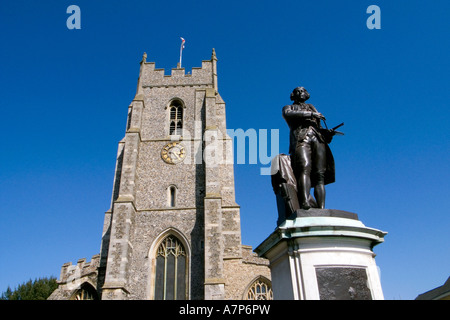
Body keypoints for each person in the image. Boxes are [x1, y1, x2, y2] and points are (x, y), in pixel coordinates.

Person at [282, 87, 335, 209]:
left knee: (319, 174)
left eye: (303, 91)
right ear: (293, 95)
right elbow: (288, 114)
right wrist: (311, 114)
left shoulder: (312, 107)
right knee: (304, 168)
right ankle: (305, 201)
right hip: (302, 138)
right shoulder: (288, 107)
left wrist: (328, 134)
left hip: (317, 140)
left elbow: (319, 128)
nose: (301, 93)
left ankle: (321, 208)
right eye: (298, 91)